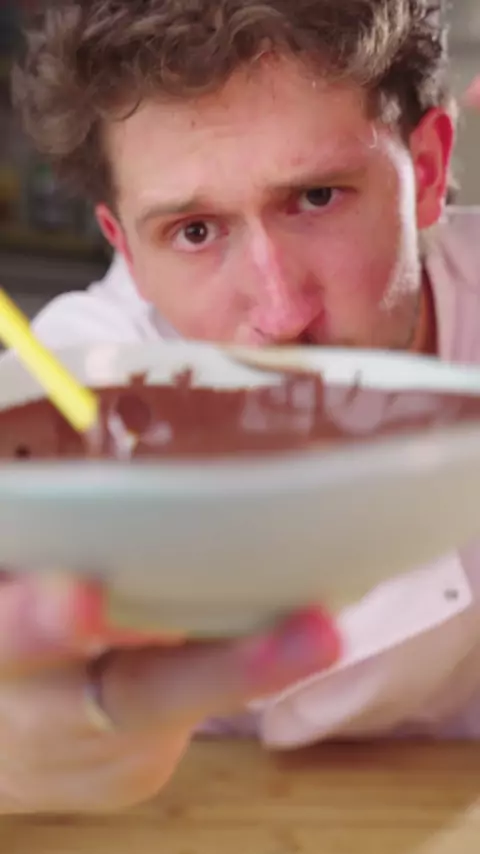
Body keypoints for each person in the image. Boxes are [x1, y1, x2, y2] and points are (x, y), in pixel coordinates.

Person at [2, 0, 480, 815]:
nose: (279, 312)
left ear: (428, 171)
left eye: (318, 197)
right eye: (195, 232)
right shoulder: (68, 395)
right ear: (125, 248)